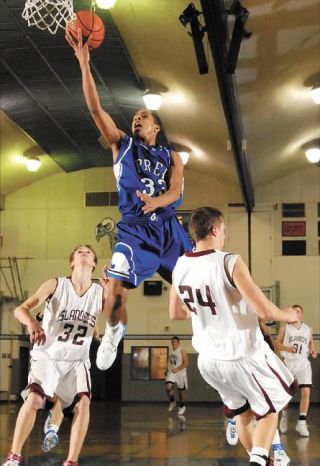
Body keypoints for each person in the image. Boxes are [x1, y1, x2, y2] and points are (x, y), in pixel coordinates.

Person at [65, 29, 192, 371]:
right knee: (115, 291)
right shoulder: (122, 144)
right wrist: (84, 63)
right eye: (135, 116)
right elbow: (94, 109)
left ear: (156, 127)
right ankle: (114, 330)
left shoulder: (172, 156)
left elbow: (177, 190)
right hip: (134, 231)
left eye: (144, 116)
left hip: (167, 229)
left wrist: (158, 202)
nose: (137, 118)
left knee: (206, 290)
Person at [169, 207, 299, 466]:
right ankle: (260, 459)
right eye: (225, 230)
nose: (225, 235)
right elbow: (263, 310)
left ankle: (262, 459)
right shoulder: (229, 261)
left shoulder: (180, 264)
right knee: (271, 411)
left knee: (243, 415)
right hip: (242, 354)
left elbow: (175, 313)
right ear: (216, 230)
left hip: (208, 360)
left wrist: (207, 313)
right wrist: (289, 315)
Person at [2, 245, 106, 466]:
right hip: (48, 354)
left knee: (83, 404)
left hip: (77, 360)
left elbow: (105, 320)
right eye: (80, 251)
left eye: (88, 251)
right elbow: (19, 309)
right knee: (34, 400)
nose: (84, 252)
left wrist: (114, 292)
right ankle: (13, 457)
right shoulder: (56, 284)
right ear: (72, 262)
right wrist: (31, 322)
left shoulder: (100, 292)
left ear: (95, 263)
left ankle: (70, 461)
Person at [276, 304, 317, 437]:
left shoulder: (308, 329)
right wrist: (287, 349)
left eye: (299, 311)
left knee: (306, 392)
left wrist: (313, 349)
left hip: (303, 363)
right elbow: (276, 344)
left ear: (302, 315)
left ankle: (302, 422)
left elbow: (310, 342)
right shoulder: (285, 328)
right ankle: (284, 415)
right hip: (288, 363)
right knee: (286, 395)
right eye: (294, 311)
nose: (297, 313)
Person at [166, 336, 189, 415]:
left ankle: (182, 406)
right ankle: (172, 401)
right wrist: (167, 369)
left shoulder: (182, 351)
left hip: (181, 373)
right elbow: (170, 362)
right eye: (172, 342)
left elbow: (186, 363)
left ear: (178, 343)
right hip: (172, 372)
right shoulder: (171, 351)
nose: (173, 343)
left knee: (181, 391)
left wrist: (178, 369)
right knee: (168, 387)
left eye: (175, 342)